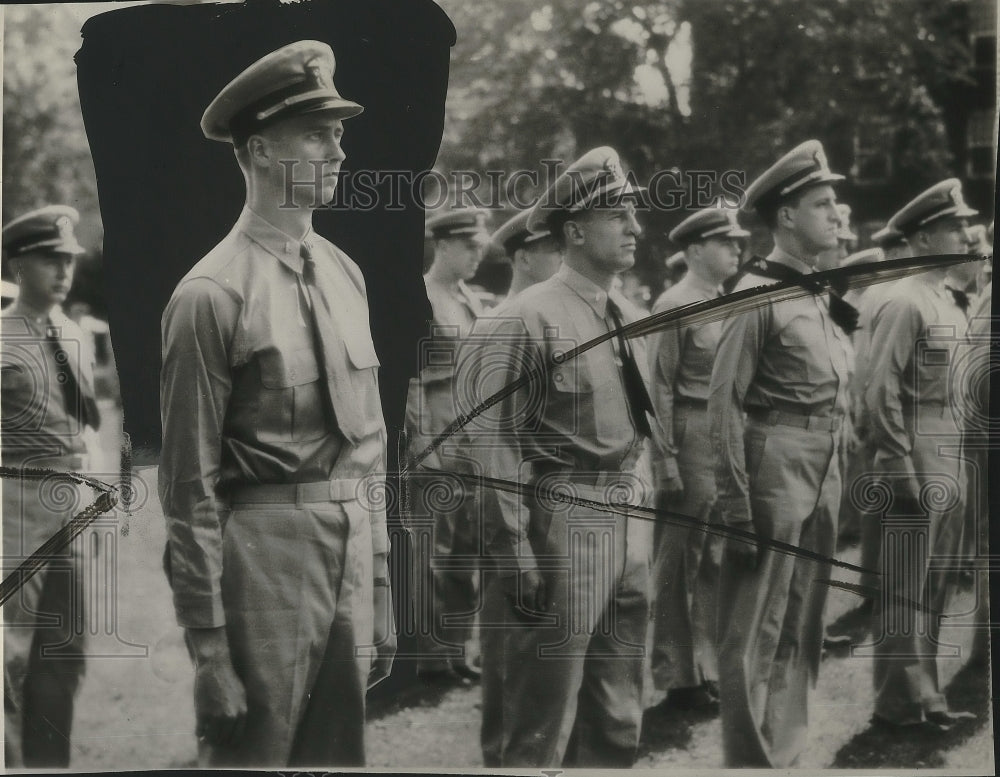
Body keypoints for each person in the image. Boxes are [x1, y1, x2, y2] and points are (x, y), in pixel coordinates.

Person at [157, 40, 395, 767]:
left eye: (339, 132)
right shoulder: (211, 294)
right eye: (318, 134)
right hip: (262, 560)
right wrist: (208, 649)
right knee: (252, 758)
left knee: (336, 760)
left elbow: (371, 443)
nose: (340, 150)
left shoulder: (346, 274)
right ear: (260, 150)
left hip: (349, 551)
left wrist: (381, 580)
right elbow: (188, 488)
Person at [473, 147, 655, 767]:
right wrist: (515, 553)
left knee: (617, 712)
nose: (635, 228)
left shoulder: (628, 315)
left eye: (632, 214)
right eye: (618, 216)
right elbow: (493, 445)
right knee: (540, 719)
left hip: (627, 515)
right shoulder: (522, 318)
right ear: (574, 232)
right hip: (562, 522)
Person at [709, 139, 854, 767]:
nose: (837, 214)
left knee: (803, 616)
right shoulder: (756, 292)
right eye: (822, 204)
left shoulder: (816, 292)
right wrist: (737, 506)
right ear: (787, 216)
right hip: (774, 460)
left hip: (822, 462)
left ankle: (785, 750)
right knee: (755, 627)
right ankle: (749, 759)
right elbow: (723, 404)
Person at [864, 179, 979, 732]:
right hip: (914, 446)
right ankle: (897, 703)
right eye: (955, 227)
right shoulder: (905, 300)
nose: (966, 236)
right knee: (905, 583)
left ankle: (926, 696)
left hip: (948, 444)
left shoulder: (944, 299)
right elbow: (879, 389)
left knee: (936, 581)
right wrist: (897, 463)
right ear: (925, 236)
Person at [1, 205, 100, 767]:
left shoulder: (74, 333)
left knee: (64, 655)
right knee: (10, 657)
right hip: (14, 513)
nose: (63, 271)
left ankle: (48, 767)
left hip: (72, 517)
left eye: (68, 260)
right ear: (18, 266)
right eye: (49, 260)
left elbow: (85, 426)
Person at [647, 206, 746, 713]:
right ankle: (675, 675)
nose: (736, 250)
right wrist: (664, 458)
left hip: (724, 434)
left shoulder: (726, 301)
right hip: (689, 432)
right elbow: (658, 386)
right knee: (679, 557)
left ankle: (703, 668)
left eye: (737, 242)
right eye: (725, 243)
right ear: (695, 250)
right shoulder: (674, 303)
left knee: (713, 557)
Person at [477, 207, 561, 766]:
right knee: (516, 664)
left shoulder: (559, 319)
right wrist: (515, 549)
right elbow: (494, 447)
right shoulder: (502, 325)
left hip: (561, 511)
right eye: (556, 251)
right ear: (525, 257)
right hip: (519, 514)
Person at [406, 206, 491, 684]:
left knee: (465, 551)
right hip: (437, 437)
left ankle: (457, 649)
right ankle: (430, 658)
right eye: (469, 246)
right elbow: (408, 380)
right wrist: (421, 444)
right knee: (431, 553)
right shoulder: (419, 297)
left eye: (480, 247)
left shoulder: (470, 300)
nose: (478, 255)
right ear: (442, 245)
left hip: (472, 444)